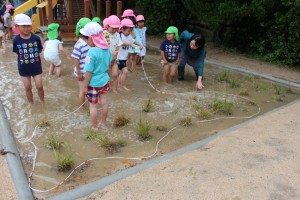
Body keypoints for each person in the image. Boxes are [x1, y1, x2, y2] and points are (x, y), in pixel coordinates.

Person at [80, 22, 112, 129]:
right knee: (104, 102)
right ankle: (103, 123)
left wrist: (84, 86)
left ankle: (95, 127)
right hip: (105, 81)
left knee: (93, 106)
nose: (86, 41)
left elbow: (89, 72)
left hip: (93, 84)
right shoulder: (107, 50)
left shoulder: (92, 52)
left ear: (91, 38)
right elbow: (109, 66)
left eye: (86, 39)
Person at [13, 13, 44, 104]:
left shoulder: (36, 38)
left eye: (28, 26)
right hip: (23, 67)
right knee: (27, 87)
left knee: (39, 86)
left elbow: (40, 50)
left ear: (31, 26)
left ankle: (42, 102)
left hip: (36, 66)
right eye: (23, 26)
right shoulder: (16, 40)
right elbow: (17, 51)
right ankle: (31, 104)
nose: (26, 28)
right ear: (18, 26)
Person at [117, 18, 143, 91]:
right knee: (125, 71)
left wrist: (140, 45)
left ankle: (119, 84)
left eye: (131, 31)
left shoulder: (129, 36)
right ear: (122, 29)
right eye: (128, 31)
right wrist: (128, 43)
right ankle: (123, 85)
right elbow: (120, 41)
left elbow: (134, 41)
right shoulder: (119, 35)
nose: (129, 32)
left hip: (123, 58)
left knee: (122, 72)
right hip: (118, 58)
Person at [71, 17, 91, 108]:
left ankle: (89, 104)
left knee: (88, 89)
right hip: (81, 72)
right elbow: (76, 60)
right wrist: (79, 73)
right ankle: (82, 107)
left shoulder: (91, 42)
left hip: (88, 71)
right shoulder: (79, 44)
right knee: (83, 90)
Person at [103, 15, 122, 94]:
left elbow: (118, 45)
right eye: (112, 28)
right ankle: (105, 88)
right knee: (106, 76)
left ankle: (115, 89)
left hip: (115, 58)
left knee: (115, 74)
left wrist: (115, 55)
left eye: (116, 28)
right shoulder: (104, 34)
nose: (114, 30)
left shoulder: (117, 35)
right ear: (107, 26)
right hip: (105, 59)